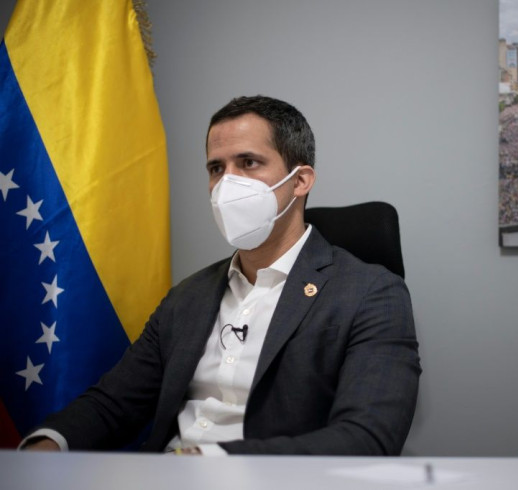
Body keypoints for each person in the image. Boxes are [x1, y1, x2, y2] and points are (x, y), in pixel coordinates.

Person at [22, 95, 421, 455]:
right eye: (216, 168)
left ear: (300, 180)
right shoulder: (187, 297)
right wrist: (47, 444)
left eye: (248, 163)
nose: (227, 184)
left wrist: (212, 462)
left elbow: (369, 436)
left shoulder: (371, 293)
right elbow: (114, 404)